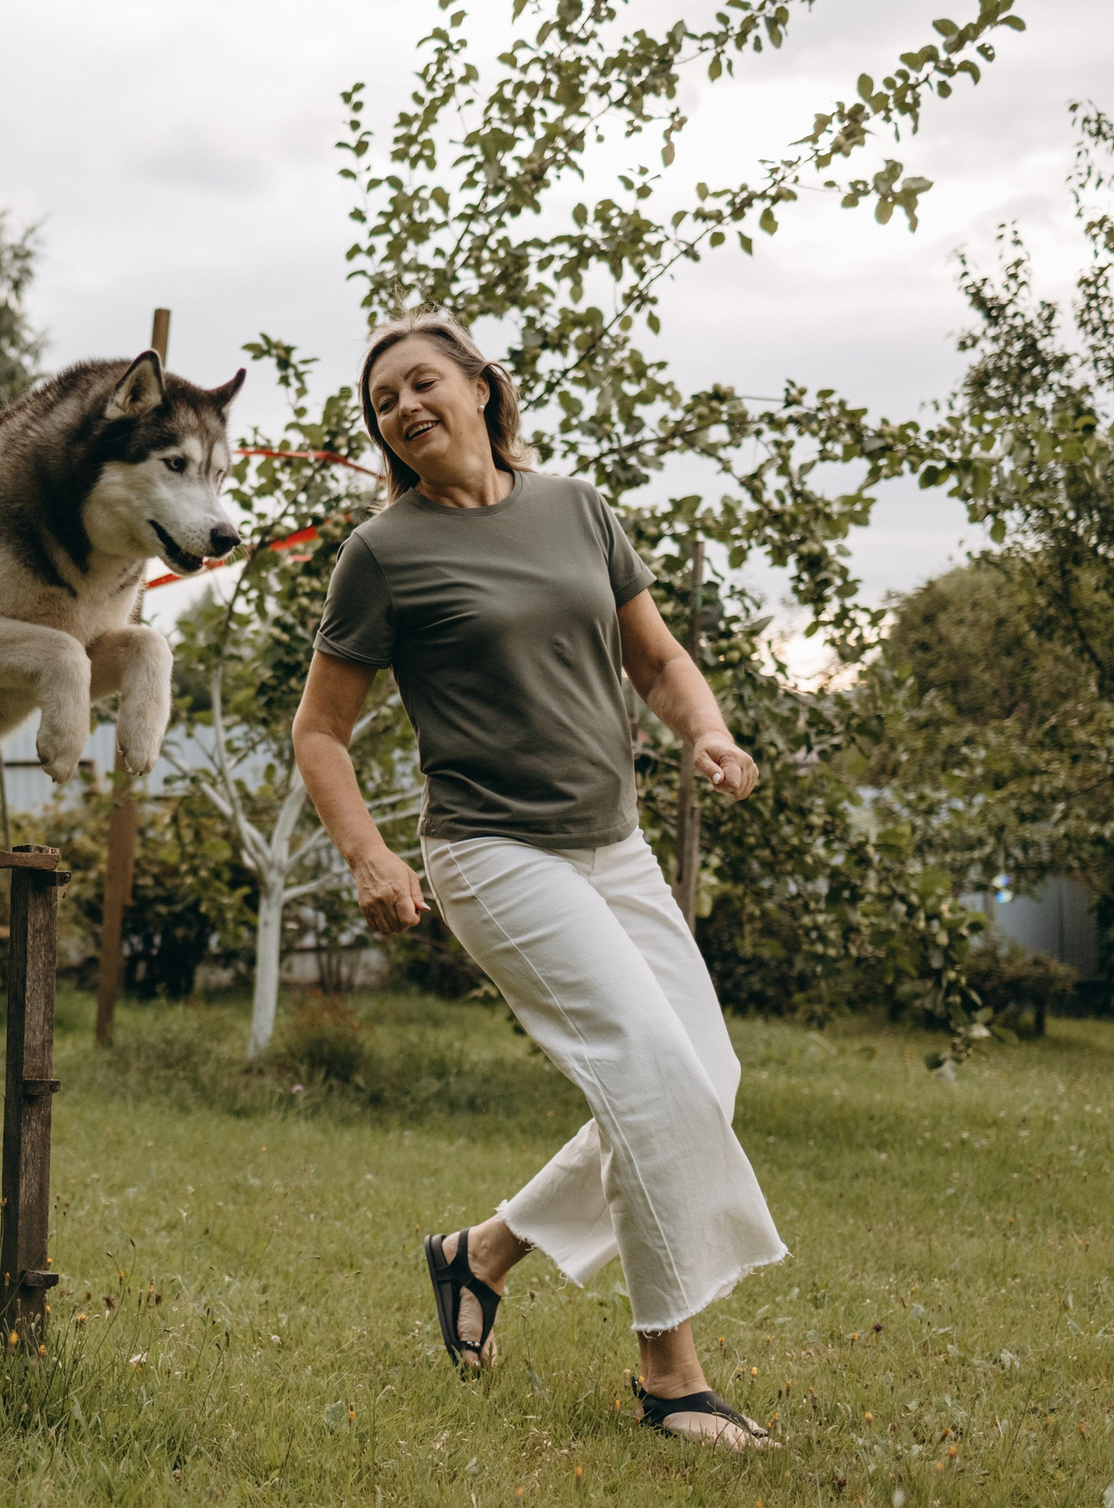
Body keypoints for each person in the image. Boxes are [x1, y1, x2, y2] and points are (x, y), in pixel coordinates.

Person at [292, 312, 786, 1450]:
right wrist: (370, 855)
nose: (405, 407)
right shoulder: (384, 554)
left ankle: (480, 1255)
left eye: (424, 383)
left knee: (705, 1072)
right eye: (383, 402)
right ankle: (671, 1378)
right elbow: (320, 732)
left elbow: (653, 657)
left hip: (610, 843)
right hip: (491, 853)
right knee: (646, 1066)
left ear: (481, 387)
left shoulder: (575, 509)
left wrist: (703, 732)